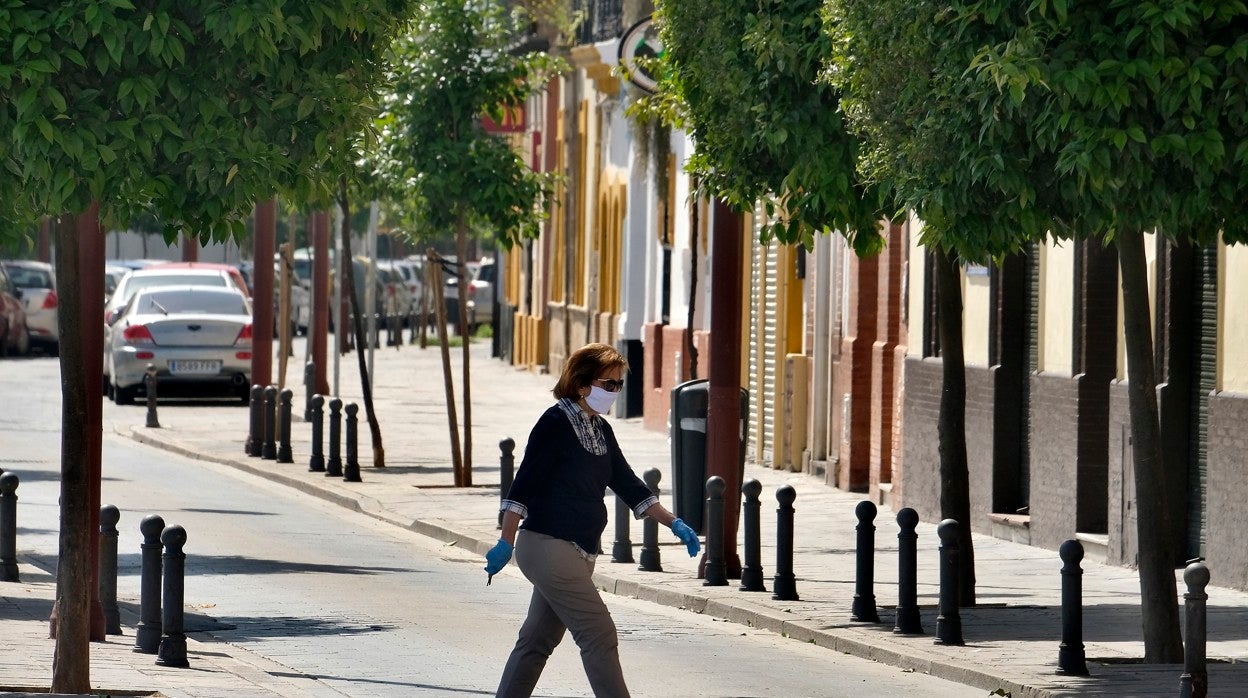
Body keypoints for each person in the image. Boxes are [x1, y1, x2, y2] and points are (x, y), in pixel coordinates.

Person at [485, 342, 701, 698]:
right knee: (599, 633)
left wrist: (674, 522)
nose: (615, 392)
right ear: (582, 384)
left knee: (537, 639)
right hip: (548, 547)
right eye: (609, 384)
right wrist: (505, 541)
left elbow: (628, 483)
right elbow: (523, 485)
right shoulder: (554, 423)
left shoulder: (600, 429)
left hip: (579, 552)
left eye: (619, 385)